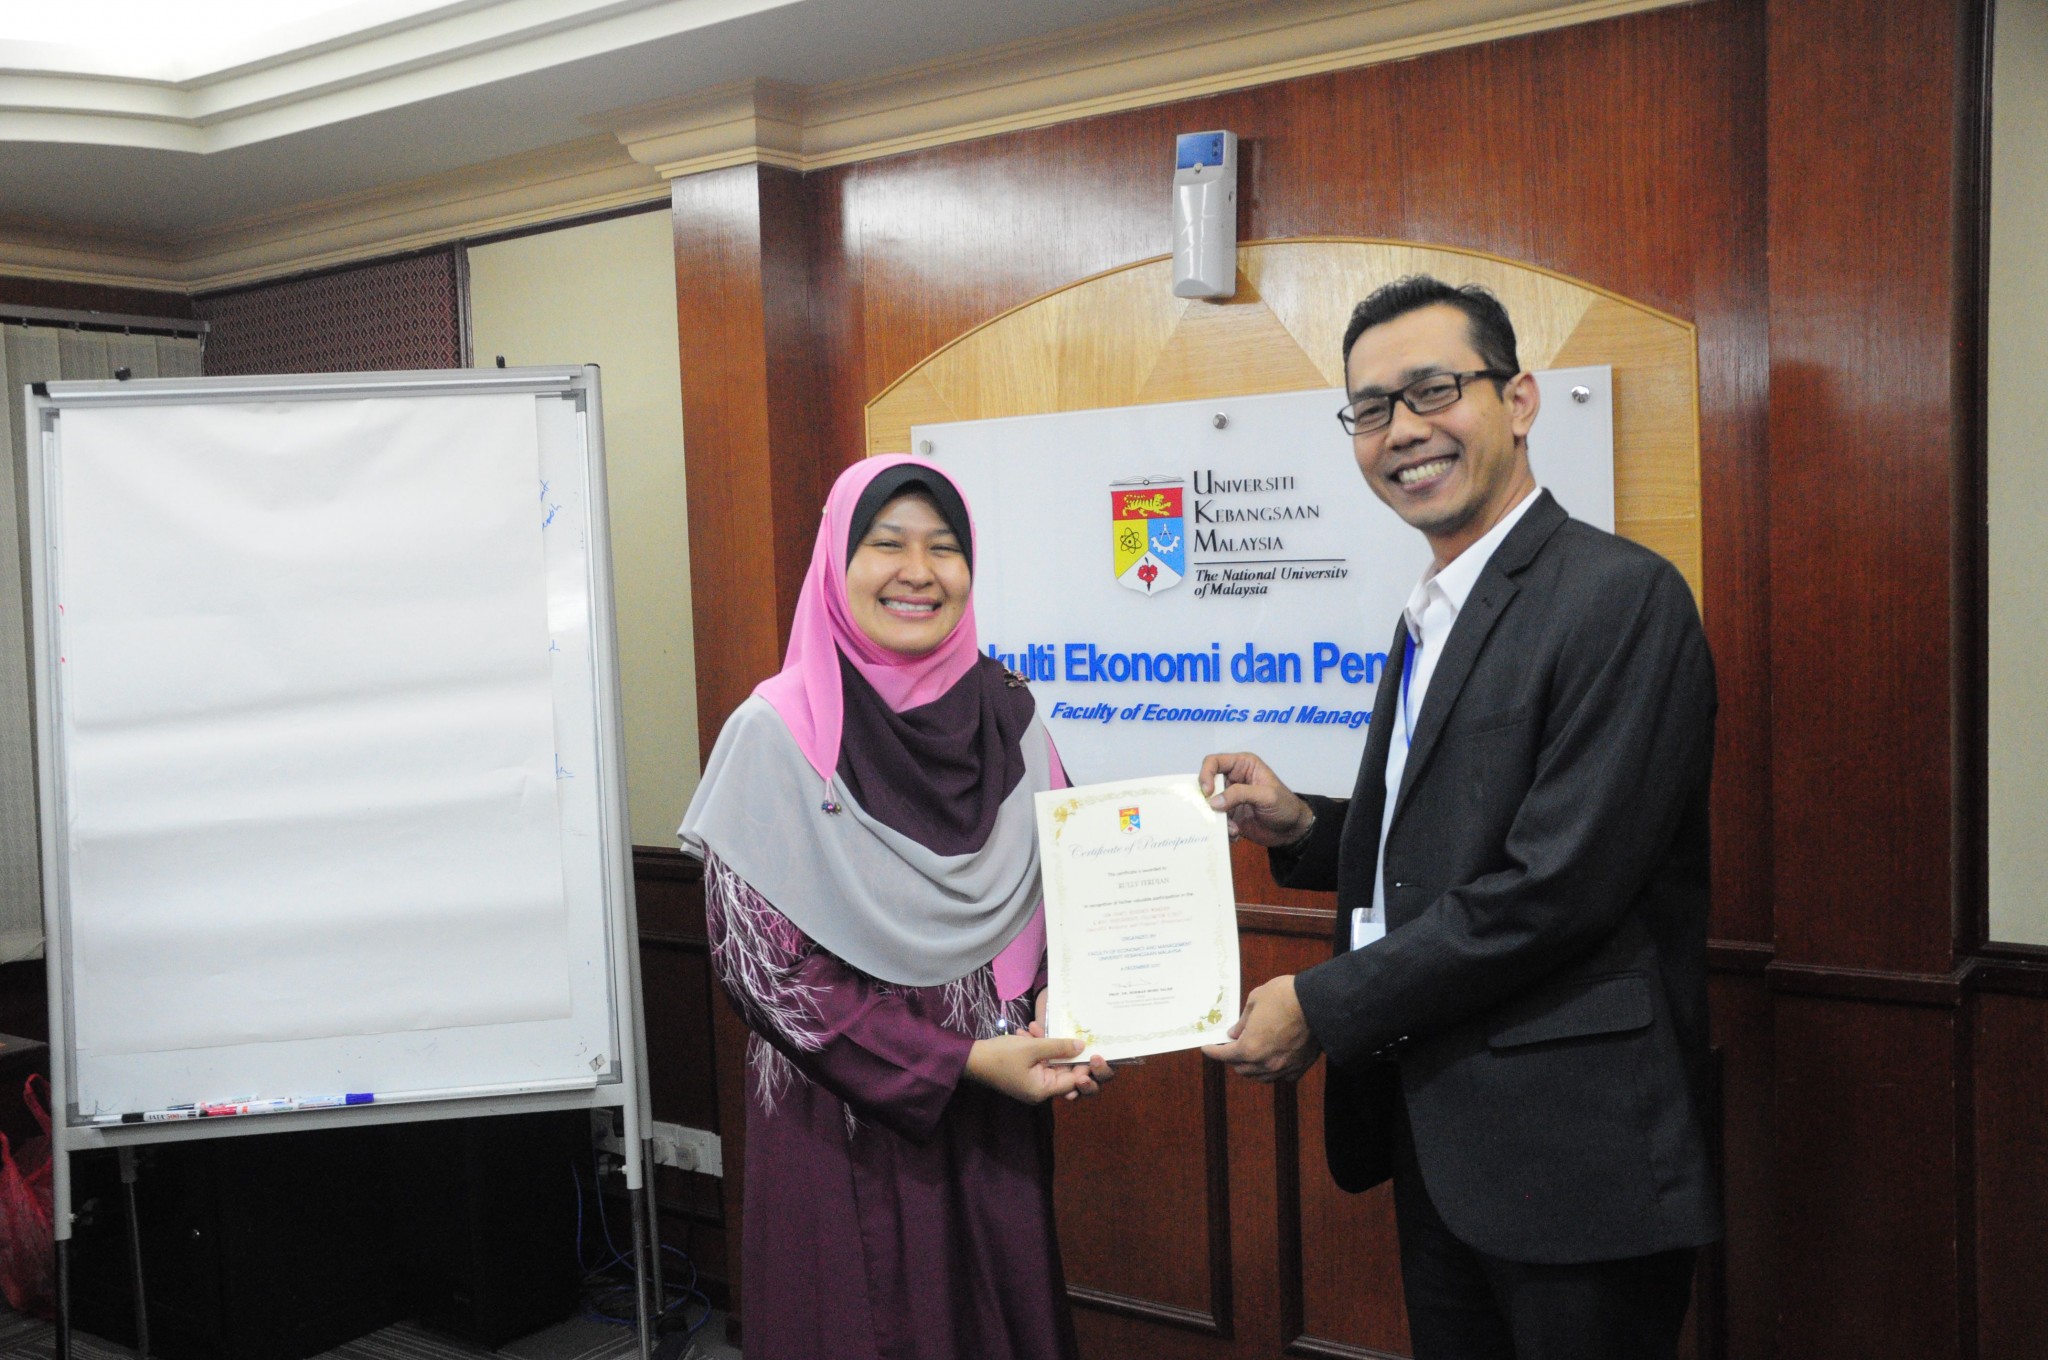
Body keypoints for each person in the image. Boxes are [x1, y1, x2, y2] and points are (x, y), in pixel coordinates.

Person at [1200, 276, 1719, 1359]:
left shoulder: (1620, 597)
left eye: (1432, 390)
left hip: (1574, 1164)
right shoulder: (1435, 607)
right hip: (1441, 1139)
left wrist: (1321, 1005)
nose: (1401, 430)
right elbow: (1452, 835)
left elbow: (1556, 886)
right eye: (1370, 408)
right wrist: (1304, 827)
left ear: (1519, 400)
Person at [678, 455, 1113, 1360]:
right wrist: (959, 1061)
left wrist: (1066, 1005)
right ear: (837, 562)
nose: (919, 572)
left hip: (997, 1113)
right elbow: (767, 977)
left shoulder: (1010, 714)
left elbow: (1069, 885)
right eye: (887, 544)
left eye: (944, 548)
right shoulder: (775, 733)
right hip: (846, 1119)